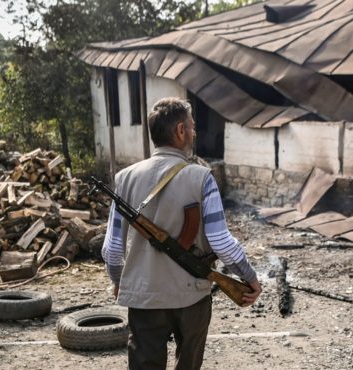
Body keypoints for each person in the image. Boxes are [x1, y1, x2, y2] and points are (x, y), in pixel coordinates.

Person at [102, 97, 262, 370]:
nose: (194, 132)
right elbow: (221, 242)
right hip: (191, 296)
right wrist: (249, 278)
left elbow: (112, 248)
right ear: (180, 131)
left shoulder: (125, 177)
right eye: (192, 127)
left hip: (144, 296)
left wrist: (118, 280)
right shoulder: (201, 177)